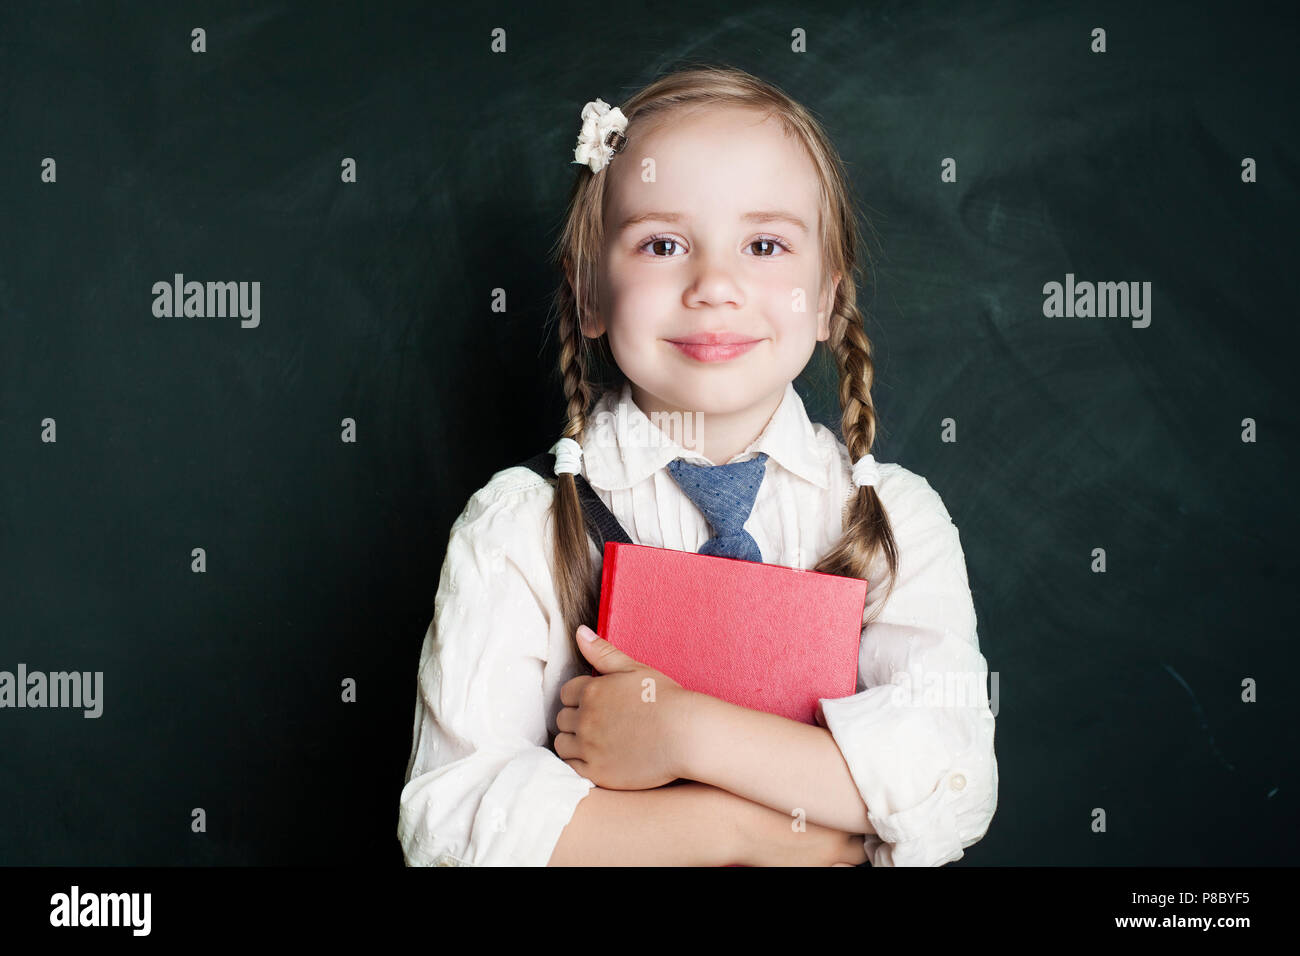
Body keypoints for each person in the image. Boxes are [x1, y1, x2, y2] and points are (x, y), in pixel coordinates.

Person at [398, 64, 998, 867]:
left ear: (825, 298)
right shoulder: (520, 525)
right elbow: (452, 824)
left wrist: (684, 732)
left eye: (765, 244)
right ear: (589, 296)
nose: (715, 285)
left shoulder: (894, 523)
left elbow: (950, 778)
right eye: (663, 243)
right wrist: (744, 831)